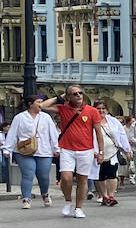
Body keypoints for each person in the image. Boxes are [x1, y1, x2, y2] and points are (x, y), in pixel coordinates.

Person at [38, 85, 104, 219]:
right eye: (74, 94)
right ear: (68, 97)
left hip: (86, 149)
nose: (78, 95)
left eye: (80, 93)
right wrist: (60, 97)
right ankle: (68, 201)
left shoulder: (91, 111)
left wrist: (101, 152)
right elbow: (42, 106)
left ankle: (79, 208)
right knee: (66, 178)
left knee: (82, 179)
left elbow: (98, 132)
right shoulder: (63, 109)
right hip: (67, 148)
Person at [3, 95, 58, 208]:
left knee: (43, 175)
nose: (41, 104)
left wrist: (56, 148)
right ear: (30, 104)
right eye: (38, 102)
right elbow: (13, 133)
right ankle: (26, 199)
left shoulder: (46, 117)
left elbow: (53, 133)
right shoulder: (20, 117)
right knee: (28, 174)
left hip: (44, 150)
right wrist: (7, 148)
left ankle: (45, 193)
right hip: (24, 151)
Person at [94, 99, 129, 207]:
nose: (101, 111)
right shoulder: (91, 121)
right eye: (98, 108)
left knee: (112, 174)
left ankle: (111, 196)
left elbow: (122, 135)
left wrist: (127, 149)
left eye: (103, 108)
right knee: (100, 176)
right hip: (97, 152)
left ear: (107, 110)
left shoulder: (113, 121)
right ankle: (104, 196)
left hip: (112, 152)